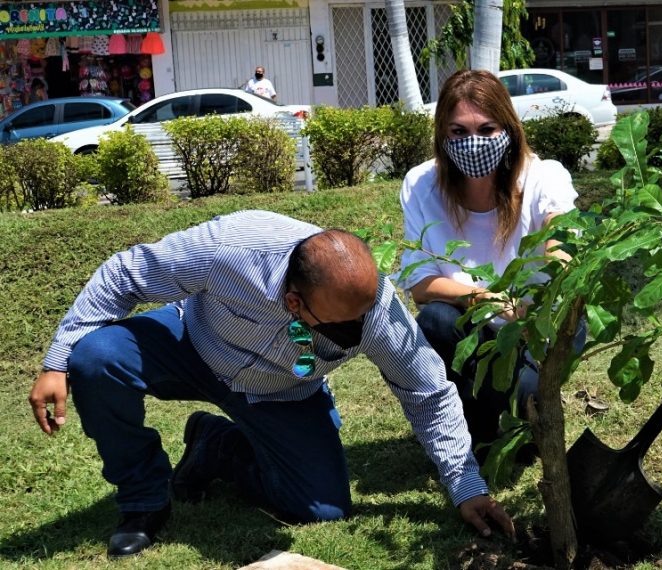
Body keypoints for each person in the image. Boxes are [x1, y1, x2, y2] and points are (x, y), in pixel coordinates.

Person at [27, 211, 514, 559]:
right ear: (294, 301)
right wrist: (56, 360)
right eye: (341, 326)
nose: (356, 331)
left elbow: (426, 392)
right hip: (194, 345)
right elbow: (125, 274)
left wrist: (465, 487)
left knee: (322, 508)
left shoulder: (373, 311)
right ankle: (143, 501)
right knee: (94, 358)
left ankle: (215, 446)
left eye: (360, 321)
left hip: (283, 389)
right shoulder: (230, 248)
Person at [398, 69, 582, 460]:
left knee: (529, 414)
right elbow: (420, 283)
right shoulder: (421, 185)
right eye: (458, 131)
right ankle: (475, 422)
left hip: (538, 324)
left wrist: (533, 305)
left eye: (486, 128)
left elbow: (561, 245)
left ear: (509, 129)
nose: (473, 142)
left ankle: (504, 407)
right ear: (441, 136)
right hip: (475, 326)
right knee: (434, 321)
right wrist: (485, 298)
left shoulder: (543, 176)